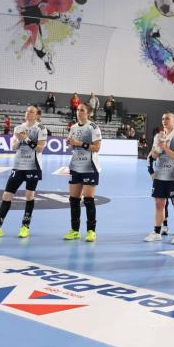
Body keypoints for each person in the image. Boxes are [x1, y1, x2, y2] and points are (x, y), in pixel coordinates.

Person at [0, 106, 47, 238]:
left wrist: (26, 139)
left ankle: (25, 227)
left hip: (33, 167)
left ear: (37, 115)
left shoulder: (41, 128)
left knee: (29, 196)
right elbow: (14, 147)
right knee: (6, 196)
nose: (28, 113)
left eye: (31, 111)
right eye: (27, 111)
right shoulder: (18, 128)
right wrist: (18, 140)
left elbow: (40, 149)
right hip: (18, 166)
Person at [143, 112, 174, 245]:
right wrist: (158, 146)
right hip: (160, 175)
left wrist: (166, 148)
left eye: (167, 118)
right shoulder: (158, 136)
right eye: (163, 118)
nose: (164, 121)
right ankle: (157, 232)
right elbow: (154, 156)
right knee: (159, 204)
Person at [63, 103, 102, 242]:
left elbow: (97, 148)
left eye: (82, 110)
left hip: (89, 167)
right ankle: (75, 231)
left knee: (88, 200)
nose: (79, 112)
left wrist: (79, 143)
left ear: (88, 113)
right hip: (75, 166)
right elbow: (71, 146)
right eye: (78, 110)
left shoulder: (93, 127)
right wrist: (69, 143)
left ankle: (91, 231)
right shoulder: (73, 127)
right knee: (74, 200)